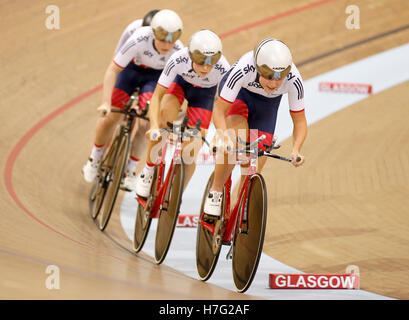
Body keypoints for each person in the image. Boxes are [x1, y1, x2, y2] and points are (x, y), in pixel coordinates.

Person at [203, 38, 307, 217]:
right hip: (239, 97)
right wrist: (223, 136)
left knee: (255, 161)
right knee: (235, 140)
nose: (274, 84)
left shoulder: (294, 79)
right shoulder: (244, 69)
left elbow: (300, 121)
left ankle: (240, 205)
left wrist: (297, 149)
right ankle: (216, 191)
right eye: (268, 77)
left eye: (279, 79)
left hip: (266, 107)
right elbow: (219, 111)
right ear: (258, 68)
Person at [82, 9, 184, 190]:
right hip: (130, 71)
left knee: (146, 123)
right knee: (111, 117)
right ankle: (95, 157)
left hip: (154, 79)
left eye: (171, 40)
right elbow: (113, 69)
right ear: (153, 33)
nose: (166, 45)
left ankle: (129, 169)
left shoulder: (178, 51)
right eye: (161, 39)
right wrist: (106, 102)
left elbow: (176, 86)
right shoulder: (137, 37)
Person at [132, 29, 230, 197]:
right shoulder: (178, 58)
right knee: (164, 123)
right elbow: (157, 96)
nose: (206, 68)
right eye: (200, 63)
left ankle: (176, 194)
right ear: (191, 56)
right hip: (179, 86)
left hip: (204, 96)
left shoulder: (223, 68)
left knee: (193, 147)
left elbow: (224, 108)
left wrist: (219, 136)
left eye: (210, 63)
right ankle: (148, 172)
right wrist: (154, 126)